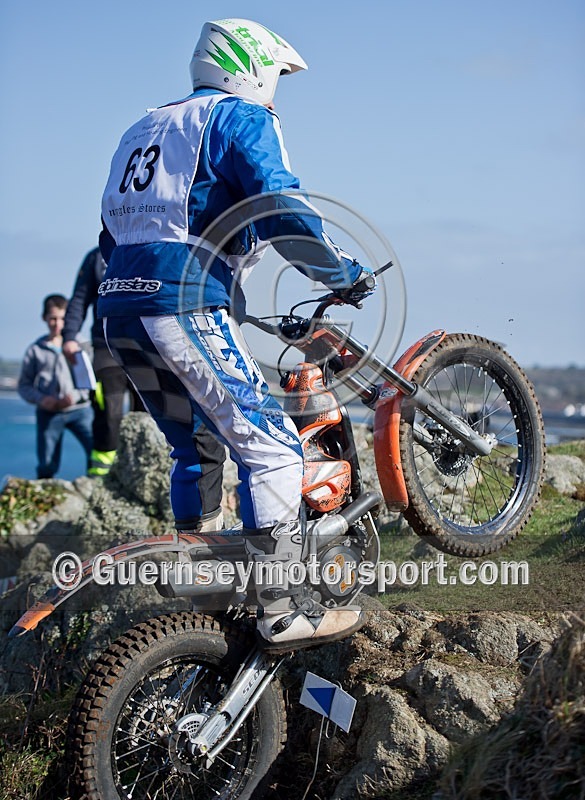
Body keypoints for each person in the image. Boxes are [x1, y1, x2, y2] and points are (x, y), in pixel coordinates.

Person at [98, 18, 376, 648]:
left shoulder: (141, 128)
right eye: (276, 78)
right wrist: (338, 270)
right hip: (182, 302)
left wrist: (229, 294)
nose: (276, 94)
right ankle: (282, 609)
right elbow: (279, 206)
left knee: (196, 446)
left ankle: (208, 590)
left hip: (121, 310)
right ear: (250, 67)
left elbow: (117, 235)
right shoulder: (240, 117)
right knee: (273, 445)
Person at [62, 247, 144, 477]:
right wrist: (69, 336)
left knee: (147, 411)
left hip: (146, 346)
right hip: (105, 344)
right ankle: (101, 477)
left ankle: (141, 470)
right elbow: (79, 299)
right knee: (109, 411)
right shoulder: (96, 257)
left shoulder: (150, 249)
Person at [18, 295, 93, 479]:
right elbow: (24, 385)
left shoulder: (81, 345)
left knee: (96, 452)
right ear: (44, 318)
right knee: (47, 464)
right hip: (48, 413)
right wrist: (42, 399)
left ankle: (95, 492)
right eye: (53, 318)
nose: (57, 324)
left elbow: (90, 379)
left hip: (80, 411)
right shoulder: (35, 350)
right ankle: (45, 502)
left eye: (62, 318)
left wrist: (74, 397)